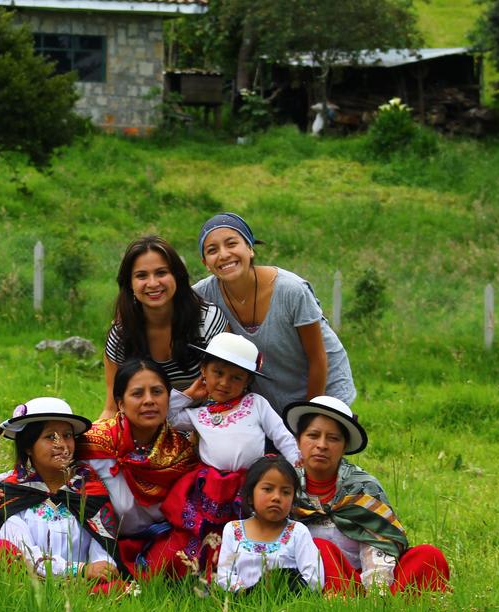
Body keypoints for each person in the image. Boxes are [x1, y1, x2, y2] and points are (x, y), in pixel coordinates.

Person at [157, 332, 301, 575]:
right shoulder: (199, 415)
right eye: (218, 373)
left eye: (236, 378)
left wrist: (298, 468)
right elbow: (166, 416)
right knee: (210, 532)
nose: (225, 383)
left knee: (249, 529)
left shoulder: (256, 404)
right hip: (211, 487)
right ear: (204, 370)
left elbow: (281, 436)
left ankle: (251, 571)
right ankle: (206, 570)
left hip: (251, 483)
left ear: (246, 382)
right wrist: (191, 394)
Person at [283, 396, 450, 595]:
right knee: (319, 548)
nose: (322, 445)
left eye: (333, 438)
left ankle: (381, 610)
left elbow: (380, 543)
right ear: (298, 440)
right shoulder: (285, 485)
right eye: (313, 435)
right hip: (315, 581)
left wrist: (376, 594)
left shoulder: (362, 486)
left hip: (367, 582)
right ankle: (342, 606)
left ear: (345, 446)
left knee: (428, 556)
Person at [192, 212, 355, 416]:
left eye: (232, 244)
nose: (224, 254)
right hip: (268, 397)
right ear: (205, 262)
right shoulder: (202, 295)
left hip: (321, 386)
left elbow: (317, 358)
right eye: (212, 250)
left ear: (250, 249)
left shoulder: (291, 290)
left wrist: (308, 418)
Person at [76, 358, 198, 577]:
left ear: (169, 399)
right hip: (100, 546)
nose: (149, 401)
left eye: (157, 392)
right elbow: (47, 469)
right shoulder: (93, 443)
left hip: (160, 545)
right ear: (120, 403)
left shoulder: (182, 454)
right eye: (138, 394)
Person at [0, 397, 120, 583]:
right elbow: (24, 552)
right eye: (49, 437)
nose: (61, 444)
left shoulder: (91, 490)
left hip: (83, 586)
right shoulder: (11, 493)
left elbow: (103, 549)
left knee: (114, 586)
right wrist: (80, 570)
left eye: (67, 436)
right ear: (28, 446)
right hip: (30, 584)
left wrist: (101, 569)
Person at [101, 236, 227, 418]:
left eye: (161, 273)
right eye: (141, 275)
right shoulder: (122, 335)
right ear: (129, 283)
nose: (153, 283)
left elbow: (230, 394)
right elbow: (112, 408)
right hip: (147, 433)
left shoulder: (207, 321)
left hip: (209, 426)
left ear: (177, 276)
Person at [216, 455, 324, 593]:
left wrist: (288, 593)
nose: (276, 497)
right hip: (242, 604)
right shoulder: (233, 530)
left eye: (285, 492)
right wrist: (248, 594)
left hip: (287, 606)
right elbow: (225, 575)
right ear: (250, 496)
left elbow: (315, 577)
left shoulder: (297, 532)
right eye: (268, 489)